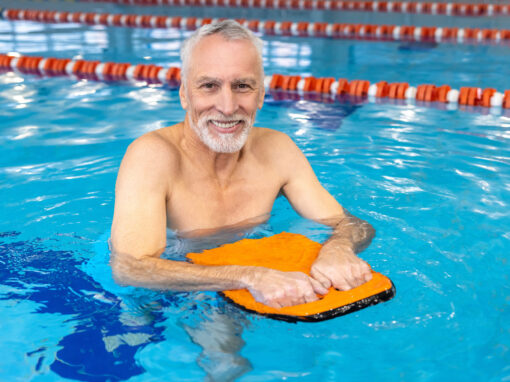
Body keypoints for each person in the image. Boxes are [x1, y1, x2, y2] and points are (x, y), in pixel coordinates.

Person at [110, 20, 375, 309]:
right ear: (185, 94)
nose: (227, 106)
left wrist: (338, 248)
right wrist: (249, 276)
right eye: (209, 86)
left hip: (245, 280)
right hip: (161, 293)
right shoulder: (153, 156)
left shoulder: (277, 150)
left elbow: (351, 224)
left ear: (261, 94)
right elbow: (129, 268)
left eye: (242, 86)